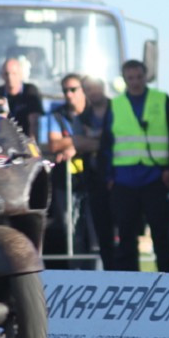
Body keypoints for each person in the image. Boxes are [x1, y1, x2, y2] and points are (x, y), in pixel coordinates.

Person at [101, 59, 169, 273]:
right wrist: (109, 177)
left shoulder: (162, 100)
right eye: (130, 78)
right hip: (124, 180)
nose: (135, 82)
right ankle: (129, 282)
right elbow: (107, 144)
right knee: (126, 237)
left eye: (139, 77)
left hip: (156, 177)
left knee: (161, 235)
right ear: (124, 79)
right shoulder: (115, 105)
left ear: (146, 77)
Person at [41, 73, 91, 267]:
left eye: (73, 89)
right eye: (65, 90)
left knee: (92, 229)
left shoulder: (92, 113)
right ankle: (75, 273)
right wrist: (82, 142)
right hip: (65, 180)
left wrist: (73, 147)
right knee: (69, 227)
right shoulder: (57, 115)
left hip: (91, 179)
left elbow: (101, 140)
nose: (69, 95)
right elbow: (53, 144)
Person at [78, 75, 115, 270]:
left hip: (118, 180)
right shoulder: (83, 117)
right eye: (89, 89)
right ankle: (110, 273)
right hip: (94, 181)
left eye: (96, 87)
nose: (94, 92)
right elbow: (78, 143)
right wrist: (101, 140)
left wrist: (93, 140)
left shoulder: (117, 109)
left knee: (124, 233)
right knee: (103, 233)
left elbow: (117, 140)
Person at [0, 57, 42, 137]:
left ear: (21, 74)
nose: (10, 77)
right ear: (2, 75)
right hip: (2, 139)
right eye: (7, 74)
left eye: (14, 73)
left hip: (24, 139)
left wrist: (31, 145)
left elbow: (34, 122)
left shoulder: (30, 92)